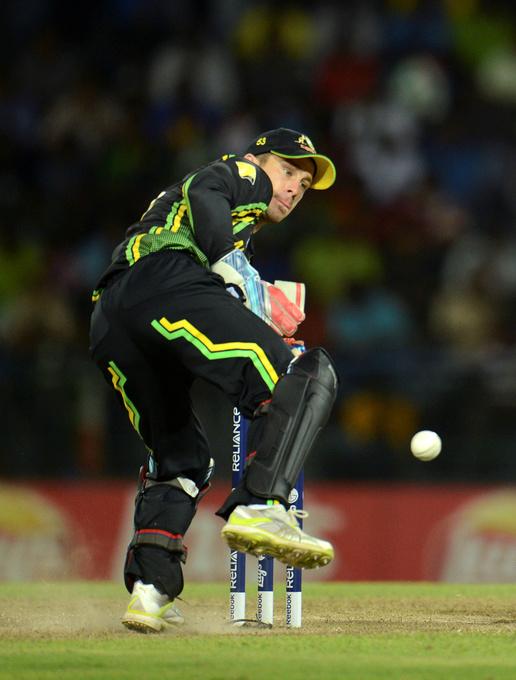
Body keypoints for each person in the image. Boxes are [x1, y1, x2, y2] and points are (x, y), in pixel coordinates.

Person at [89, 128, 341, 633]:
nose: (294, 187)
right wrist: (232, 266)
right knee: (302, 373)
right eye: (288, 170)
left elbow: (220, 272)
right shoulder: (243, 175)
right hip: (163, 281)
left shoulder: (230, 232)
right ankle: (262, 504)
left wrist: (249, 290)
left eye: (304, 184)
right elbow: (206, 190)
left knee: (181, 458)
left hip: (111, 320)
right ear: (256, 160)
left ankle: (151, 590)